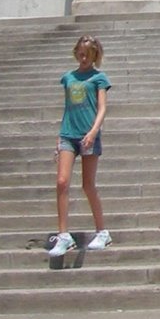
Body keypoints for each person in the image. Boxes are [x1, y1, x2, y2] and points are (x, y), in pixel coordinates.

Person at [49, 35, 110, 259]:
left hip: (88, 135)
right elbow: (67, 108)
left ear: (95, 55)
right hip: (68, 134)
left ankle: (102, 231)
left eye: (88, 55)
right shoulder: (68, 78)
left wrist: (93, 132)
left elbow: (102, 108)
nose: (84, 58)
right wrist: (59, 136)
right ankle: (63, 235)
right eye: (81, 54)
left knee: (88, 185)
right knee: (62, 181)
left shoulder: (99, 78)